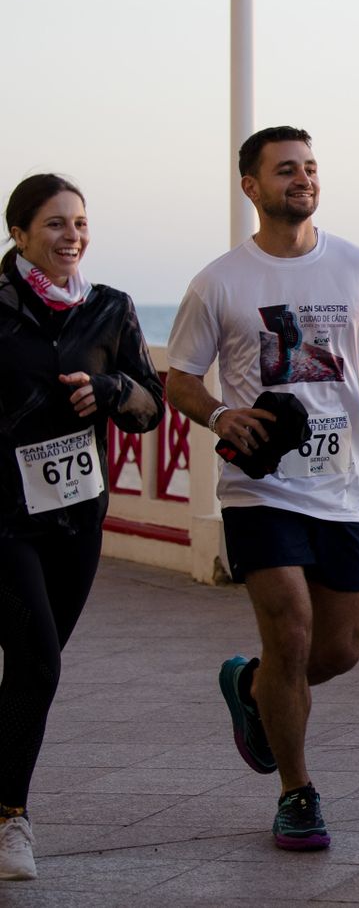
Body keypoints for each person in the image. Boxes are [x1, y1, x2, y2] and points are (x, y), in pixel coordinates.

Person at [165, 126, 359, 852]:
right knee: (292, 629)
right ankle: (297, 792)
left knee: (338, 651)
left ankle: (251, 690)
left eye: (309, 168)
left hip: (342, 485)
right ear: (251, 186)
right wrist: (220, 414)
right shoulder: (220, 280)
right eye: (285, 170)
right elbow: (179, 378)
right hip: (259, 483)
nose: (301, 179)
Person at [0, 175, 164, 881]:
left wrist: (110, 391)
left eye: (81, 224)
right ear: (18, 233)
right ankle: (12, 819)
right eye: (56, 225)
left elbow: (151, 404)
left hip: (75, 519)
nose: (72, 237)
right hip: (2, 517)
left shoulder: (109, 309)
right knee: (35, 655)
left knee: (36, 671)